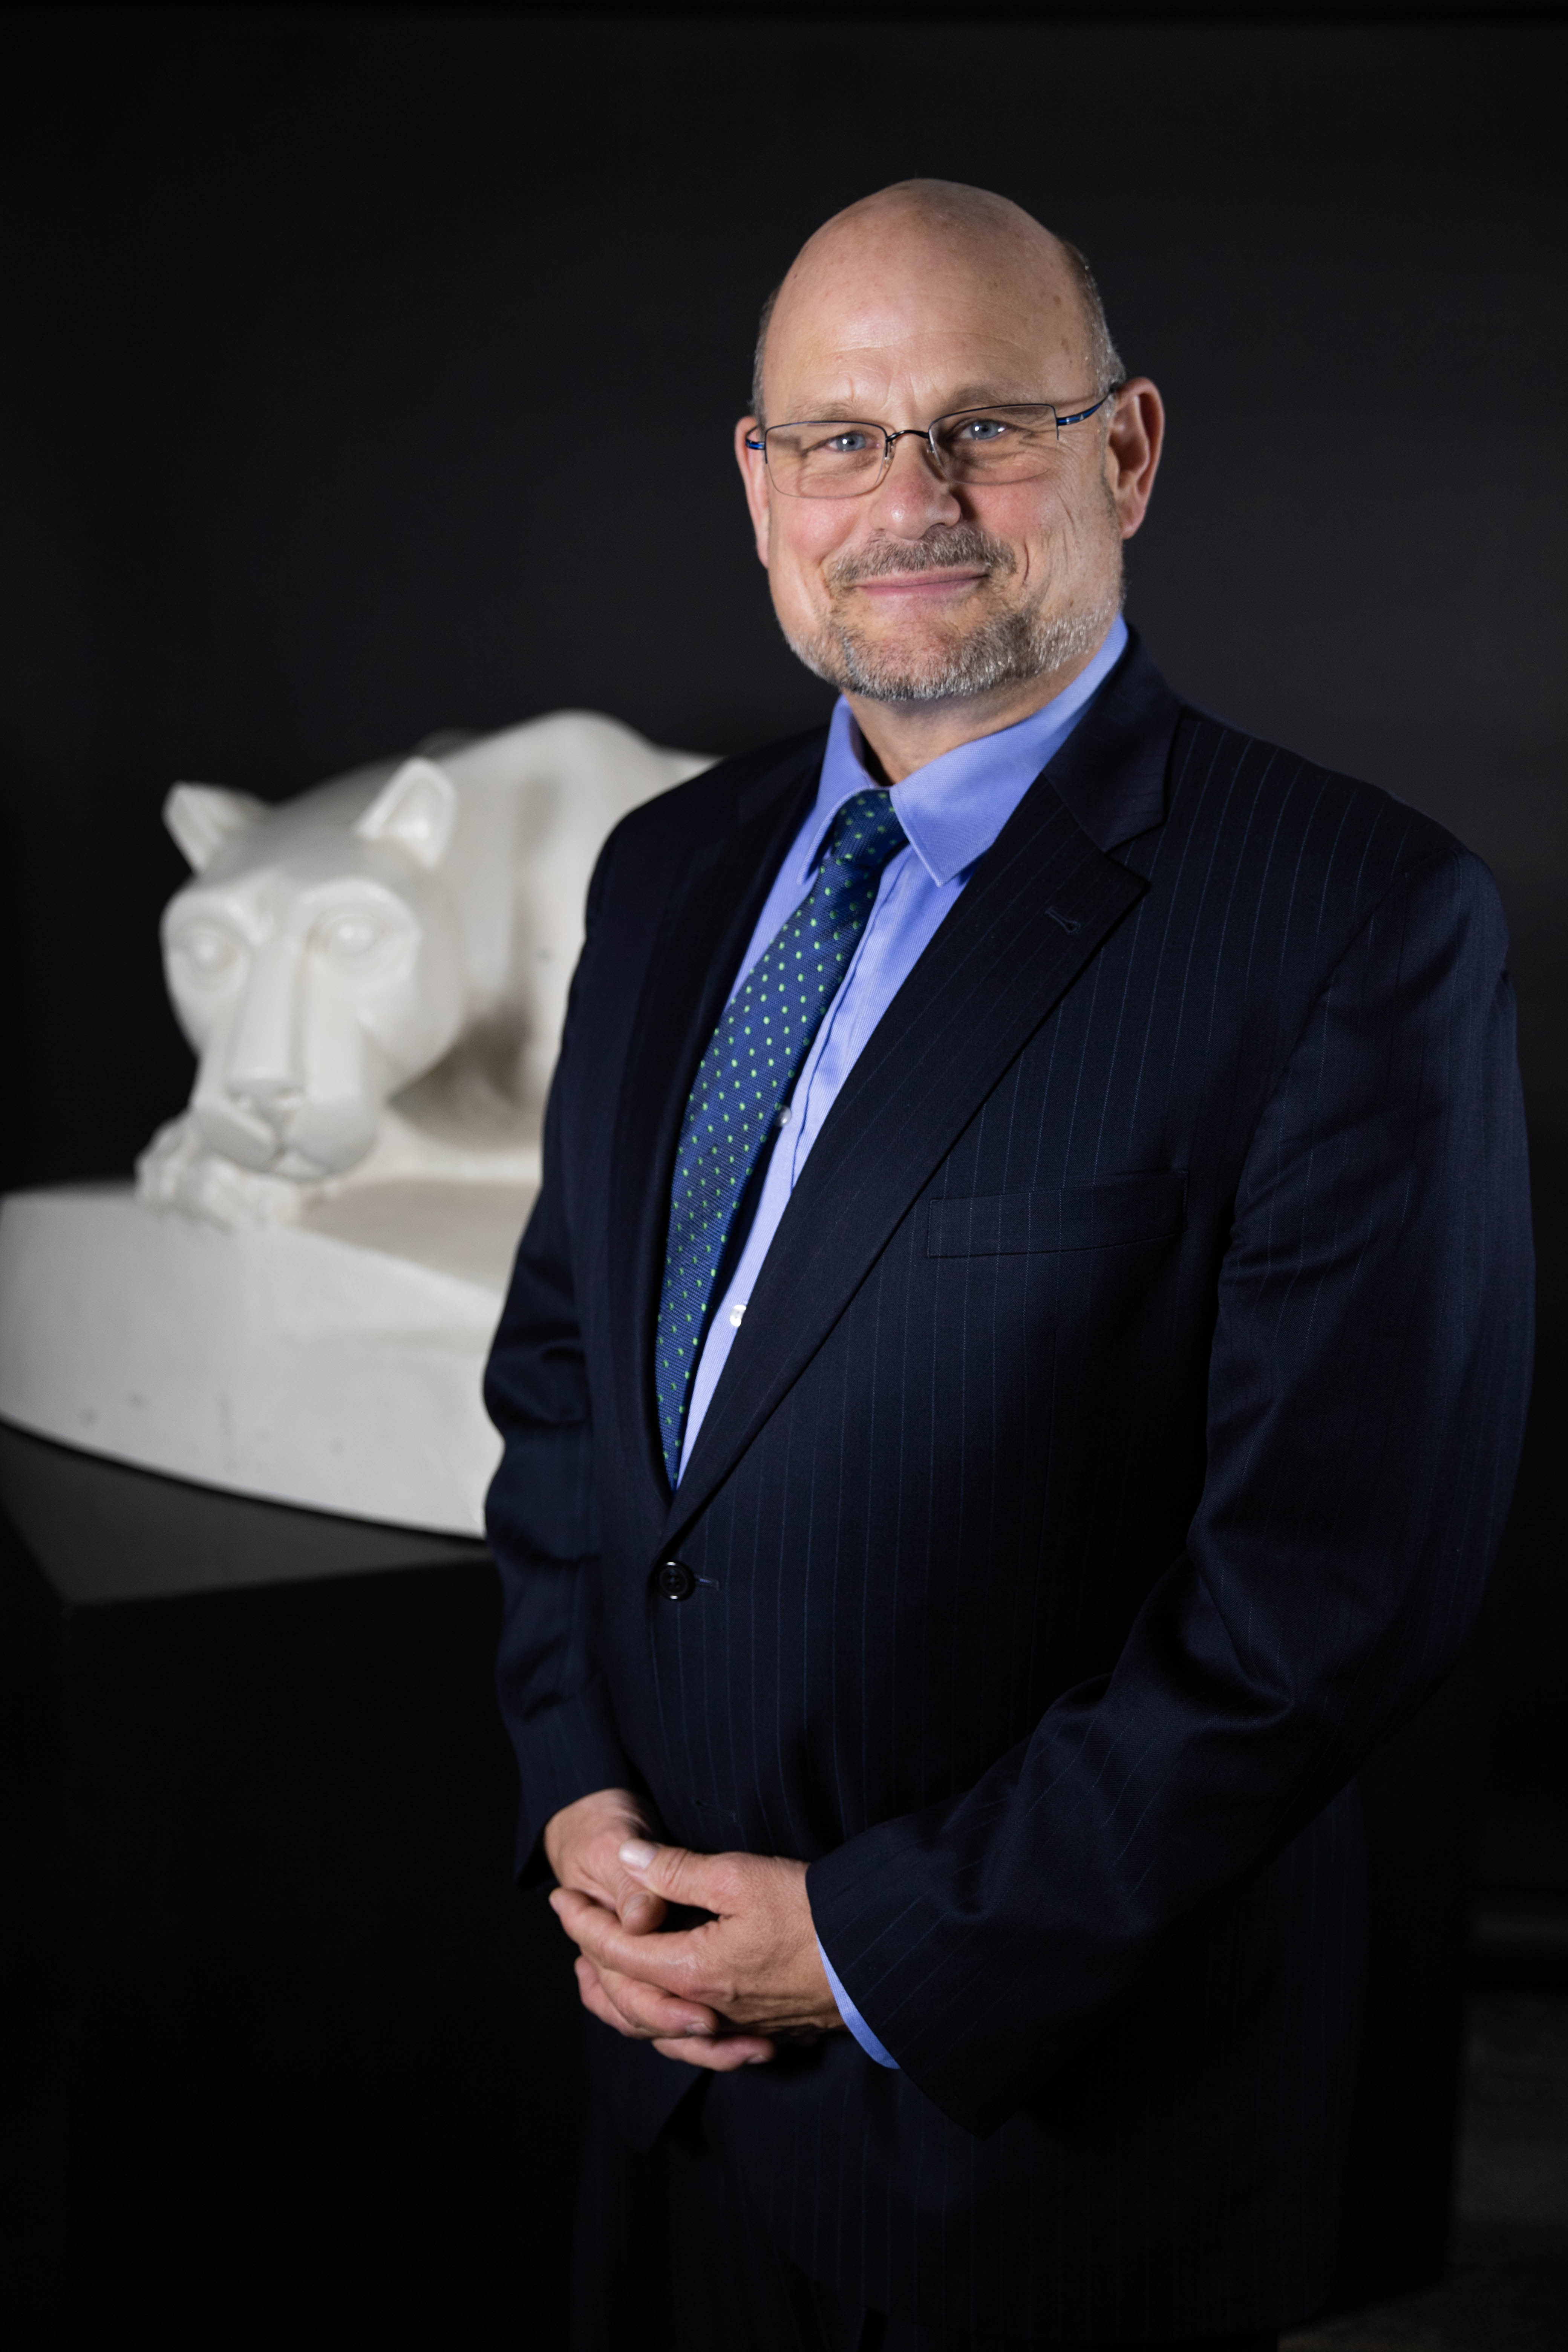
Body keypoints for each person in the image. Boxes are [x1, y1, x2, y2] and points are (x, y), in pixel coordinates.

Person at [483, 181, 1533, 2350]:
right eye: (843, 439)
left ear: (1129, 451)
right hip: (654, 2069)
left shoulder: (1353, 924)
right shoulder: (670, 872)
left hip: (1044, 2143)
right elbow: (574, 1388)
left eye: (988, 426)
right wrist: (575, 1791)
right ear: (757, 487)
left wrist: (874, 1947)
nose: (911, 498)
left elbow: (1323, 1609)